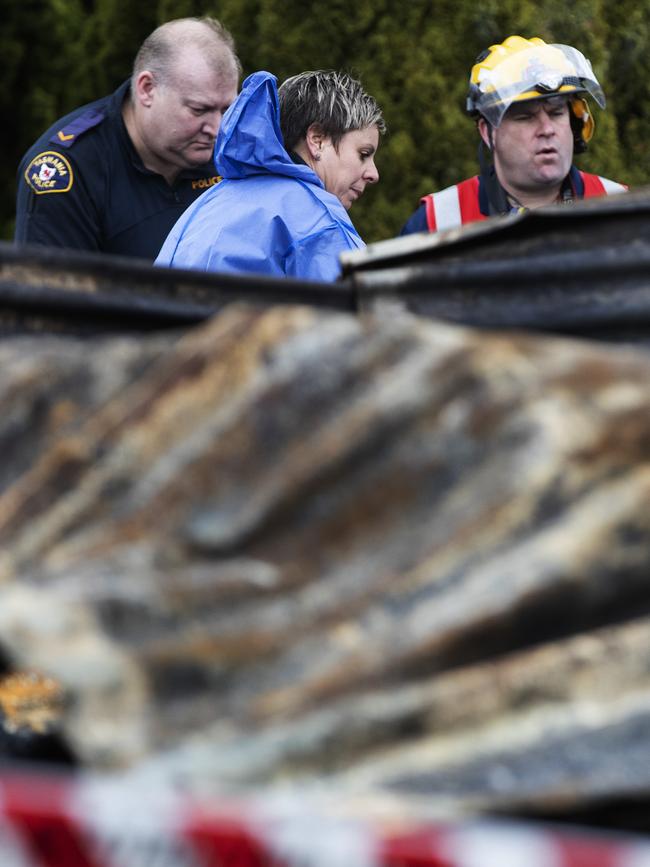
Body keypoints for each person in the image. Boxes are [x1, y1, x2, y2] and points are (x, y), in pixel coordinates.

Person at [15, 17, 241, 260]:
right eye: (199, 110)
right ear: (147, 89)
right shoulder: (73, 168)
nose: (218, 129)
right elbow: (53, 292)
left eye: (227, 110)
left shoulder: (235, 151)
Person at [155, 69, 384, 282]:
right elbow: (362, 309)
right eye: (363, 154)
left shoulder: (210, 201)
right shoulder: (316, 217)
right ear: (317, 140)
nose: (373, 174)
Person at [401, 35, 626, 235]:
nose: (547, 129)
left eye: (556, 113)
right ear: (487, 132)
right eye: (526, 117)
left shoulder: (620, 206)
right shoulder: (438, 221)